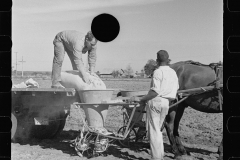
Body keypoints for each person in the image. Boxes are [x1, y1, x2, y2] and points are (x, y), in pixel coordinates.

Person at [130, 50, 179, 160]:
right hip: (166, 103)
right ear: (168, 59)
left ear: (157, 60)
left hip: (156, 102)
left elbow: (155, 92)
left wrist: (141, 99)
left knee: (154, 132)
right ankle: (160, 155)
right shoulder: (173, 72)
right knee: (158, 131)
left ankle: (157, 158)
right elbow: (176, 89)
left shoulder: (158, 72)